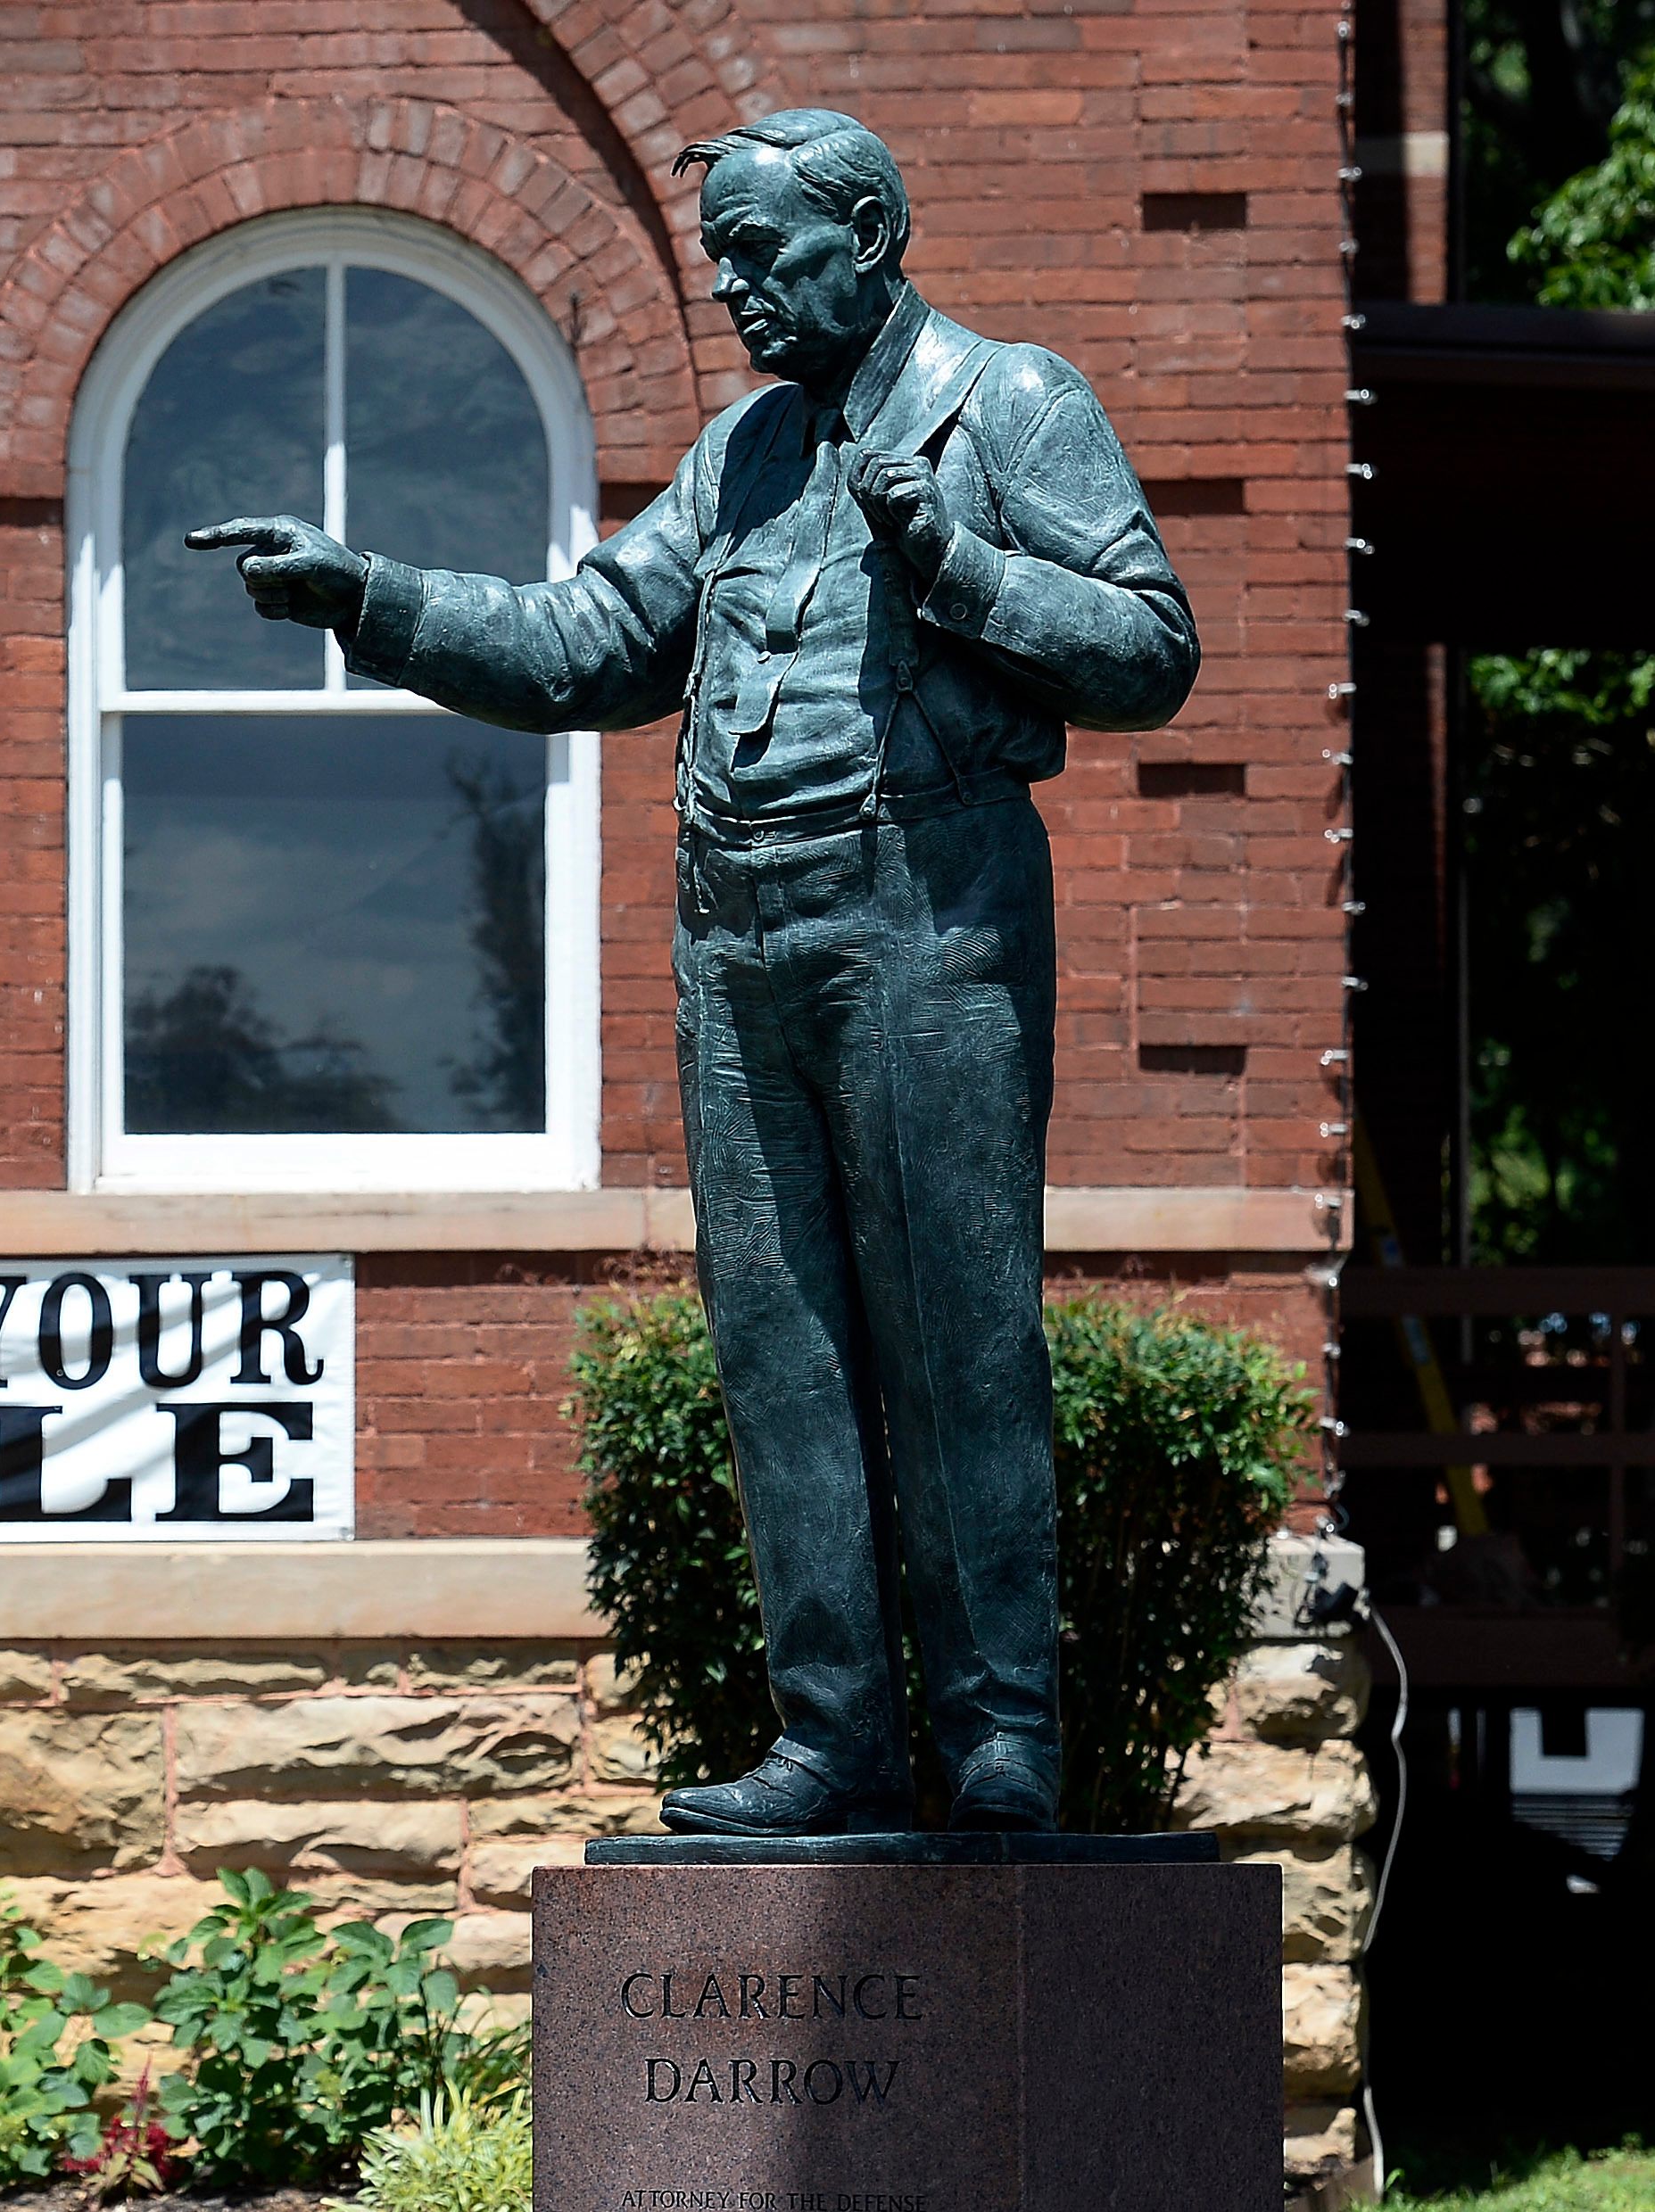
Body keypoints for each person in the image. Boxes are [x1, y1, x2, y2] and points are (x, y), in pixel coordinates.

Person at [194, 110, 1197, 1836]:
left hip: (923, 916)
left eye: (762, 250)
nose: (730, 283)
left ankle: (1000, 1732)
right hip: (734, 937)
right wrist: (366, 593)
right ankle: (832, 1737)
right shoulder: (739, 453)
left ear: (869, 234)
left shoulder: (1007, 404)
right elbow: (587, 643)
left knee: (957, 1339)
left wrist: (953, 563)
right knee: (778, 1347)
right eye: (719, 251)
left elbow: (1146, 650)